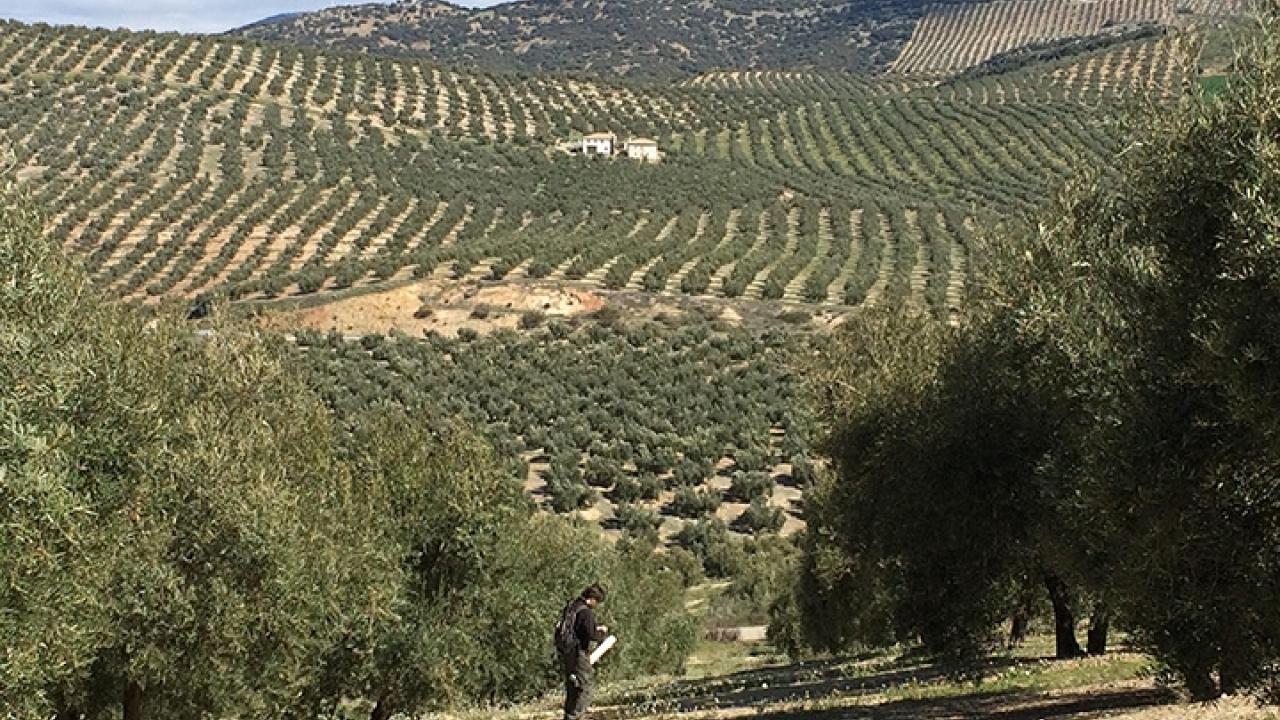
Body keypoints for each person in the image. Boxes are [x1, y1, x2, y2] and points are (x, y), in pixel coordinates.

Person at [556, 584, 607, 720]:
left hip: (567, 653)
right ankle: (574, 717)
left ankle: (568, 715)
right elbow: (590, 634)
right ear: (592, 599)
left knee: (572, 687)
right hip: (578, 653)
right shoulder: (586, 612)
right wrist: (601, 633)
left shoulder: (572, 607)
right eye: (597, 602)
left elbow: (576, 628)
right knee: (586, 687)